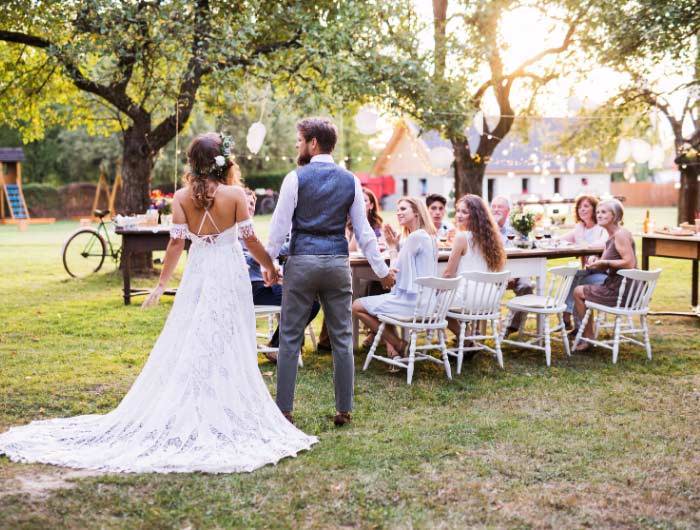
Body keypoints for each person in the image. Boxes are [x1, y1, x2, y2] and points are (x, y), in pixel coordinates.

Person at [0, 132, 317, 473]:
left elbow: (175, 246)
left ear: (193, 163)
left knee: (194, 334)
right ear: (224, 162)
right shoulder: (235, 194)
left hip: (199, 272)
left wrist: (162, 283)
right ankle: (215, 402)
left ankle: (204, 399)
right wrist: (270, 267)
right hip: (228, 271)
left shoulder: (181, 197)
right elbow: (250, 239)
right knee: (227, 335)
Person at [267, 117, 395, 427]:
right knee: (342, 338)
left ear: (313, 143)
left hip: (302, 263)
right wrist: (382, 271)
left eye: (300, 140)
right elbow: (364, 232)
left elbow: (279, 228)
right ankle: (344, 409)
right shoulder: (350, 180)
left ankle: (284, 409)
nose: (298, 145)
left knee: (290, 338)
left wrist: (269, 264)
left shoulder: (294, 178)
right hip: (338, 263)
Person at [352, 197, 438, 359]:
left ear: (417, 212)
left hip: (412, 305)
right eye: (398, 209)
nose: (398, 212)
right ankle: (393, 349)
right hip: (429, 303)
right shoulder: (430, 237)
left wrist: (392, 247)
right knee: (383, 302)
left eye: (403, 209)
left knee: (356, 305)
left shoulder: (415, 237)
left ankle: (397, 343)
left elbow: (394, 276)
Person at [241, 188, 321, 362]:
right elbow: (247, 257)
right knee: (310, 303)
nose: (250, 208)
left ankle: (276, 344)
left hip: (262, 285)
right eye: (246, 204)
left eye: (252, 204)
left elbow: (265, 255)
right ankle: (278, 345)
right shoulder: (236, 230)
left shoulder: (247, 229)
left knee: (310, 298)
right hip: (251, 290)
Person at [572, 199, 637, 351]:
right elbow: (614, 259)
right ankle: (587, 335)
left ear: (615, 216)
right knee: (581, 285)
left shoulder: (620, 235)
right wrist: (598, 260)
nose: (599, 215)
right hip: (619, 286)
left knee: (578, 291)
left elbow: (629, 263)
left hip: (621, 290)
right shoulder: (613, 236)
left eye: (604, 212)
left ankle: (588, 337)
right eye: (598, 212)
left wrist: (605, 262)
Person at [443, 194, 506, 337]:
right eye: (458, 210)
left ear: (476, 216)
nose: (459, 215)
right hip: (489, 298)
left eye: (464, 212)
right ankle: (469, 334)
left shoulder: (462, 237)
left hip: (468, 299)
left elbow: (448, 274)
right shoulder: (491, 238)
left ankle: (466, 337)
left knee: (433, 302)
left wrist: (435, 289)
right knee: (442, 299)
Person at [557, 194, 609, 329]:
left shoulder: (601, 227)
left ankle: (570, 319)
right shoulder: (580, 228)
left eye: (586, 206)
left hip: (604, 273)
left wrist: (585, 246)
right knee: (571, 276)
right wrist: (548, 239)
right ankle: (571, 320)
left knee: (576, 282)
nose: (582, 209)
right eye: (579, 207)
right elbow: (562, 239)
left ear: (594, 209)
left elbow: (604, 243)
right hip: (589, 271)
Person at [490, 195, 533, 335]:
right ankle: (479, 328)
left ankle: (512, 325)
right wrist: (505, 274)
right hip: (495, 272)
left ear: (508, 210)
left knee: (526, 287)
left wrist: (515, 273)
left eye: (500, 207)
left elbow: (525, 247)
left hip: (519, 270)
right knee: (484, 290)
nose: (496, 210)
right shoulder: (487, 228)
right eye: (494, 207)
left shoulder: (517, 224)